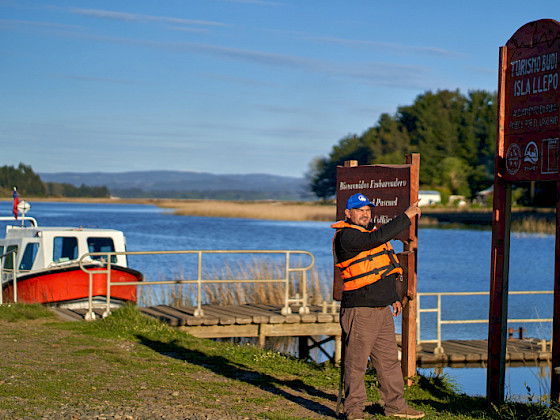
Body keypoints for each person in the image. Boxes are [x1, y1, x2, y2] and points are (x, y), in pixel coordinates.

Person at [332, 192, 424, 420]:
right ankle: (353, 411)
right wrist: (406, 216)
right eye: (359, 211)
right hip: (360, 310)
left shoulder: (368, 233)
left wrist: (393, 297)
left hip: (382, 310)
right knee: (356, 362)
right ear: (348, 213)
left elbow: (382, 269)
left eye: (367, 210)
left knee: (389, 361)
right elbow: (377, 240)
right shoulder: (347, 237)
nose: (365, 215)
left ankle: (396, 406)